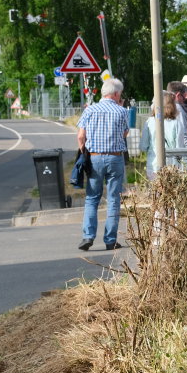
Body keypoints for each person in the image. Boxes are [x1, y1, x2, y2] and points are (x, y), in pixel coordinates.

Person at [76, 78, 129, 251]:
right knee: (113, 199)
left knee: (92, 198)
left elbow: (81, 136)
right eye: (119, 93)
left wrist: (83, 151)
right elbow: (125, 133)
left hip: (95, 157)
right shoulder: (121, 111)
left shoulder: (90, 110)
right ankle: (110, 240)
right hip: (115, 158)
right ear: (115, 94)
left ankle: (88, 236)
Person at [140, 91, 187, 179]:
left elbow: (143, 146)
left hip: (153, 165)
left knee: (155, 191)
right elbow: (179, 148)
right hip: (172, 166)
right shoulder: (177, 123)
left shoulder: (149, 122)